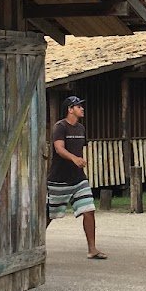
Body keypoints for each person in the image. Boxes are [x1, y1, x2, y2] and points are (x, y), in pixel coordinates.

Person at [46, 96, 107, 260]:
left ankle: (92, 249)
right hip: (59, 179)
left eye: (81, 106)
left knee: (89, 211)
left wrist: (79, 160)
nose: (82, 108)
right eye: (78, 106)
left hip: (78, 179)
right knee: (49, 215)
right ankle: (33, 245)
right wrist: (74, 158)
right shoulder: (60, 127)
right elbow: (59, 149)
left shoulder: (81, 128)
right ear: (70, 109)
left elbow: (79, 149)